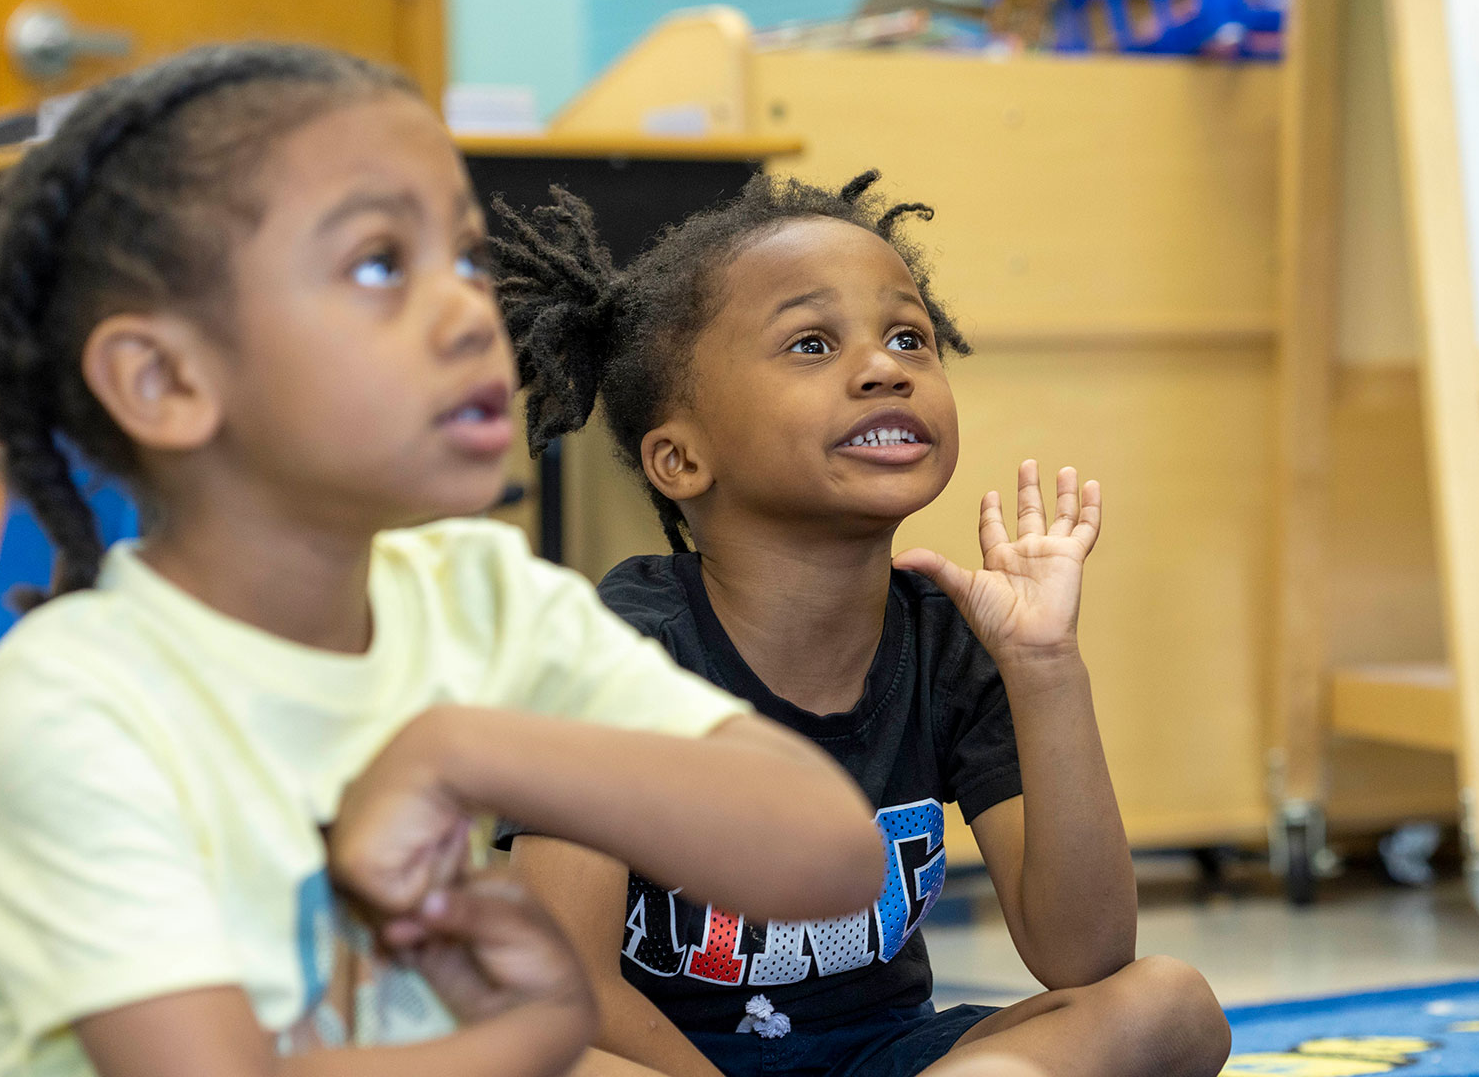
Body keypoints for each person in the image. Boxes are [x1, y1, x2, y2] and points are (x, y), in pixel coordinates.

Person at [0, 43, 886, 1077]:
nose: (465, 314)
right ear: (164, 380)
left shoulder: (483, 598)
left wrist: (462, 749)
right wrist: (531, 1034)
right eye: (377, 265)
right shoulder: (73, 704)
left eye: (465, 262)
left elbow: (831, 854)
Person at [489, 172, 1231, 1077]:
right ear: (681, 458)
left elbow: (1083, 956)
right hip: (660, 1062)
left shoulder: (951, 640)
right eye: (810, 343)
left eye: (909, 337)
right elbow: (563, 986)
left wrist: (1045, 667)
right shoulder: (609, 652)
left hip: (886, 1059)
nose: (885, 367)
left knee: (1170, 1004)